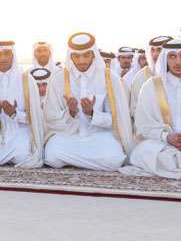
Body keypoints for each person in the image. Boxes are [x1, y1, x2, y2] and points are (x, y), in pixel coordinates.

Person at [124, 39, 181, 179]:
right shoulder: (150, 86)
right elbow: (143, 124)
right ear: (165, 59)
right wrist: (167, 137)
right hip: (162, 143)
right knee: (142, 153)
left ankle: (174, 166)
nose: (178, 62)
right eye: (172, 56)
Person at [43, 32, 133, 171]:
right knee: (52, 155)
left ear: (93, 54)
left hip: (100, 137)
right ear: (70, 56)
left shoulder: (109, 78)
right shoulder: (58, 79)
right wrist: (70, 113)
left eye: (86, 55)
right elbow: (51, 119)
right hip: (69, 137)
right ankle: (92, 163)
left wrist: (92, 114)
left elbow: (116, 120)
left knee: (114, 158)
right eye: (76, 56)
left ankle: (73, 161)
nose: (81, 61)